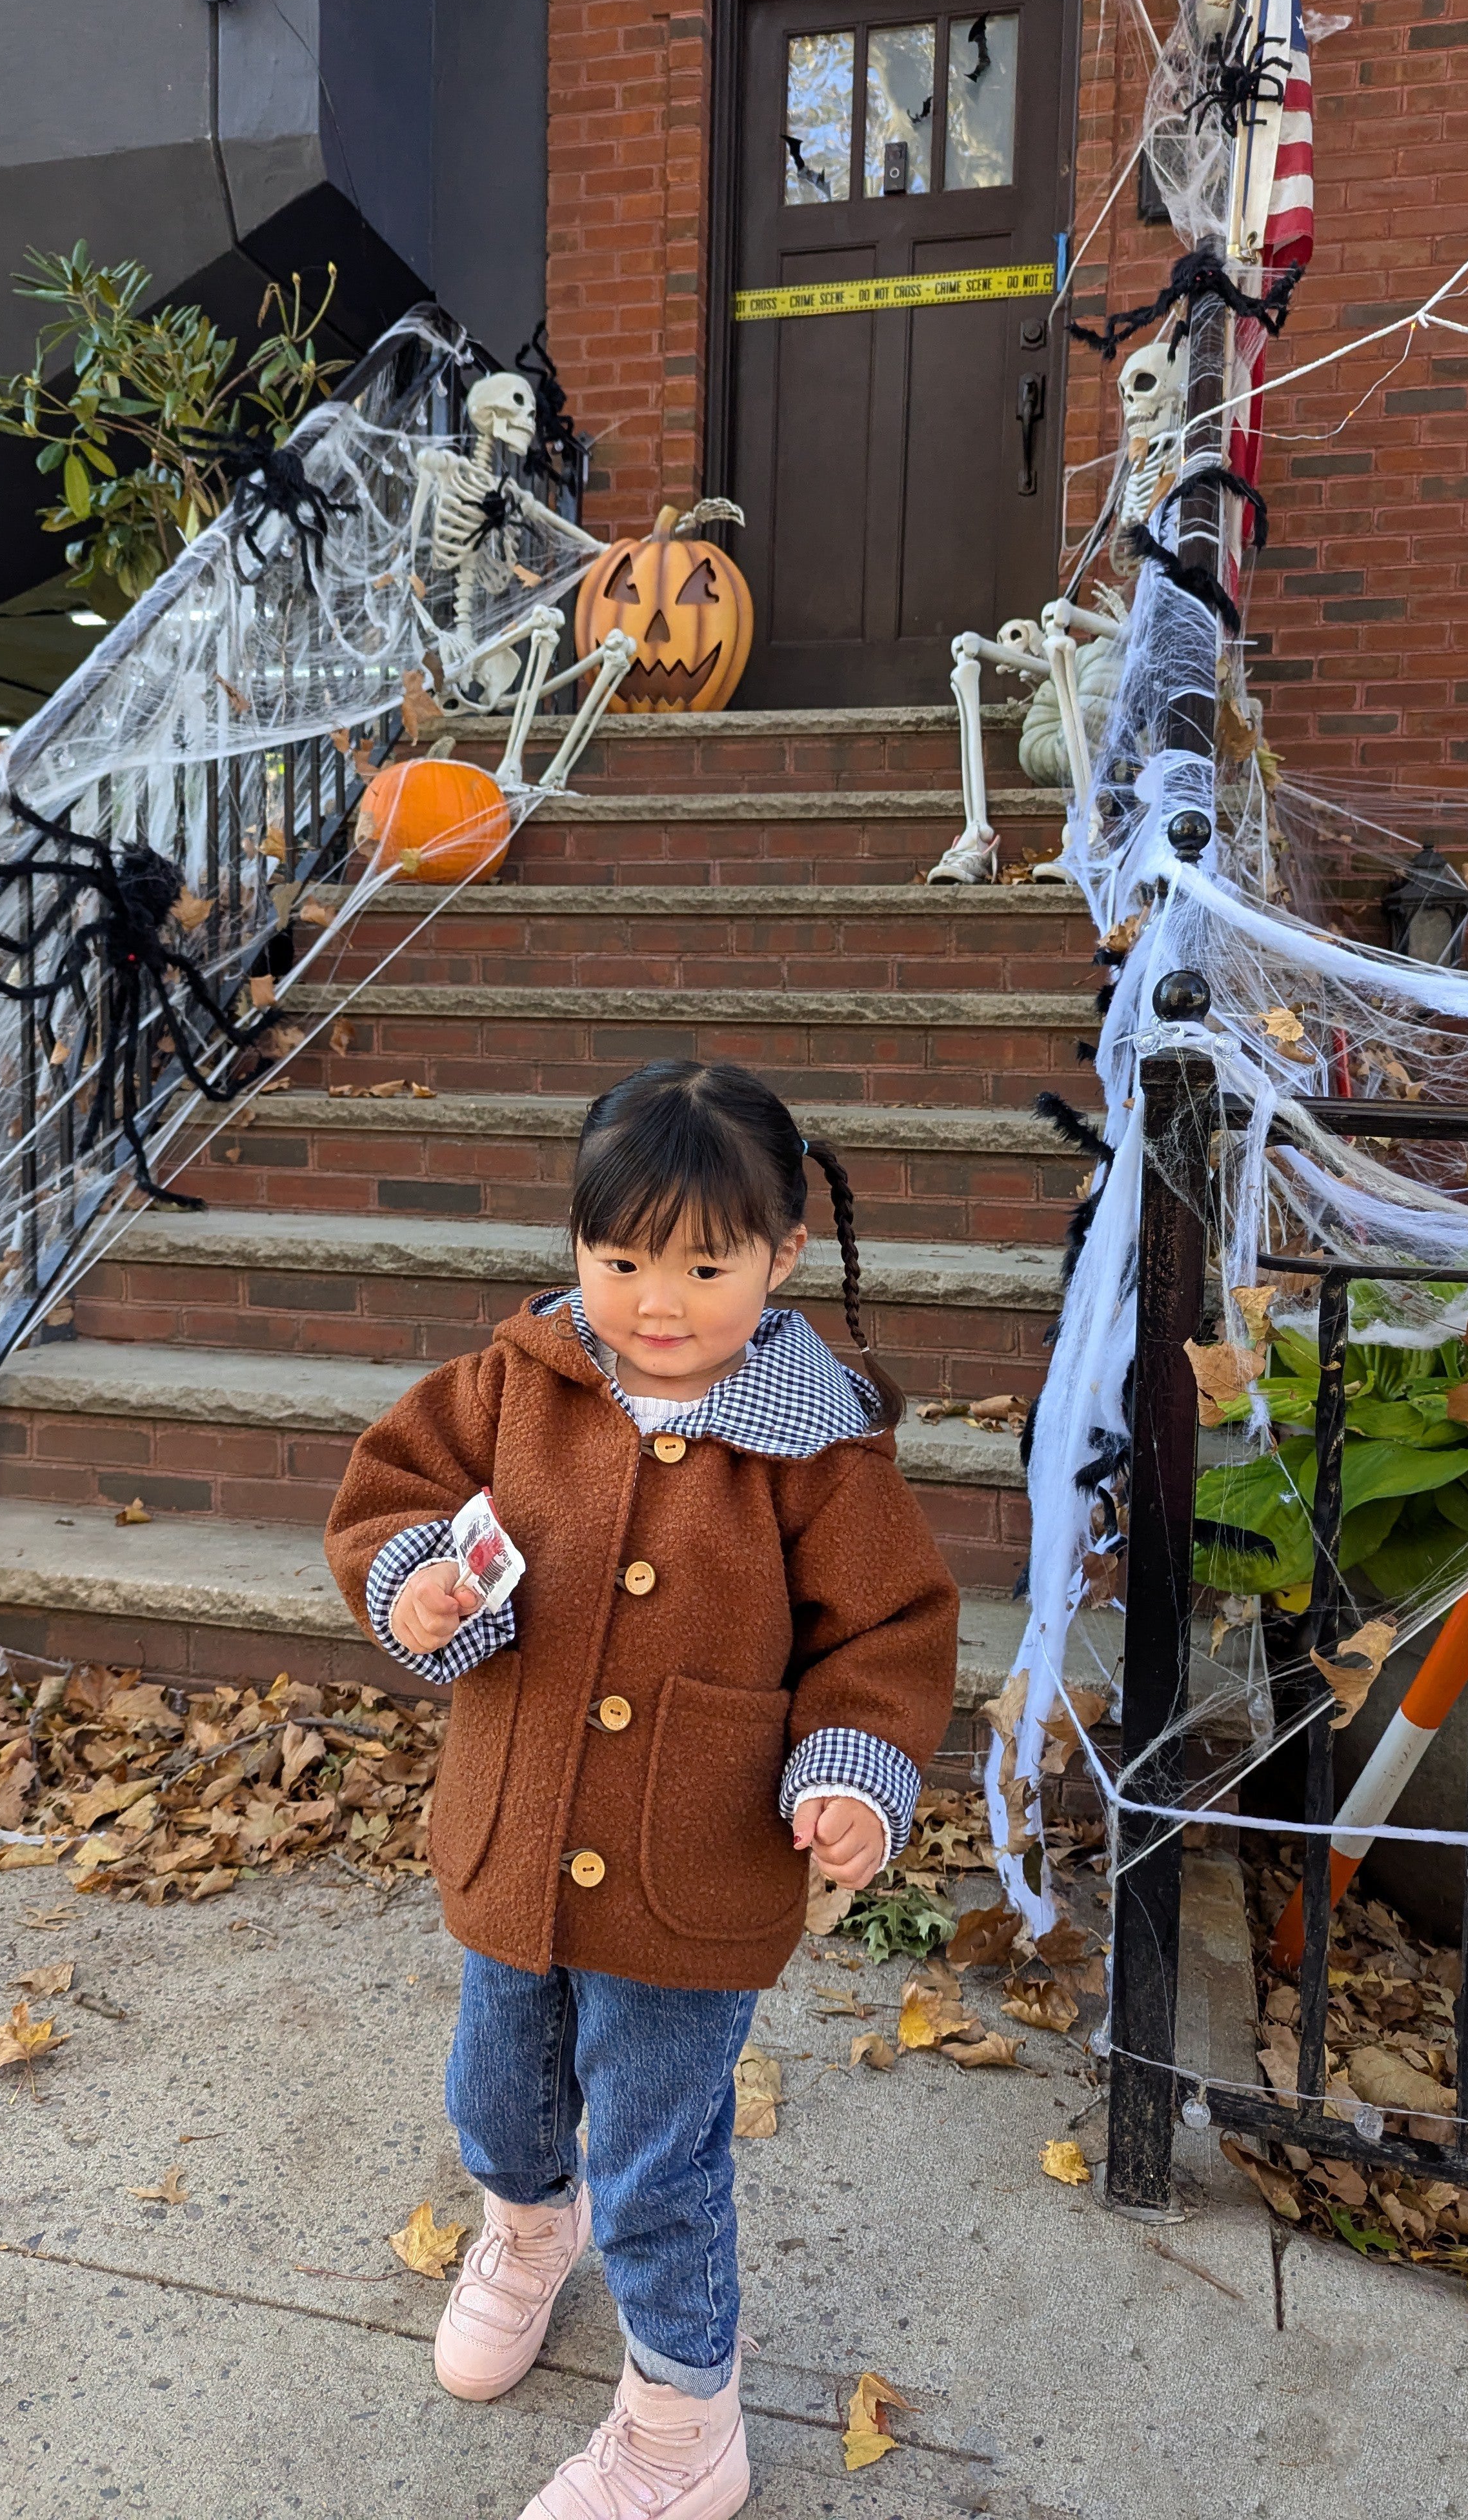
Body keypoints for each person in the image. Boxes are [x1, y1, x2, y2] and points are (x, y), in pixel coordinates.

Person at [325, 1059, 958, 2520]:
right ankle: (529, 2231)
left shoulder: (819, 1446)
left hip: (694, 1870)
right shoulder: (515, 1385)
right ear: (576, 1248)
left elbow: (887, 1634)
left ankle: (685, 2417)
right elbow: (391, 1495)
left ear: (782, 1258)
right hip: (515, 1832)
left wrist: (852, 1774)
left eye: (703, 1266)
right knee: (499, 2084)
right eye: (619, 1262)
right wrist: (419, 1587)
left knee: (664, 2156)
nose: (655, 1304)